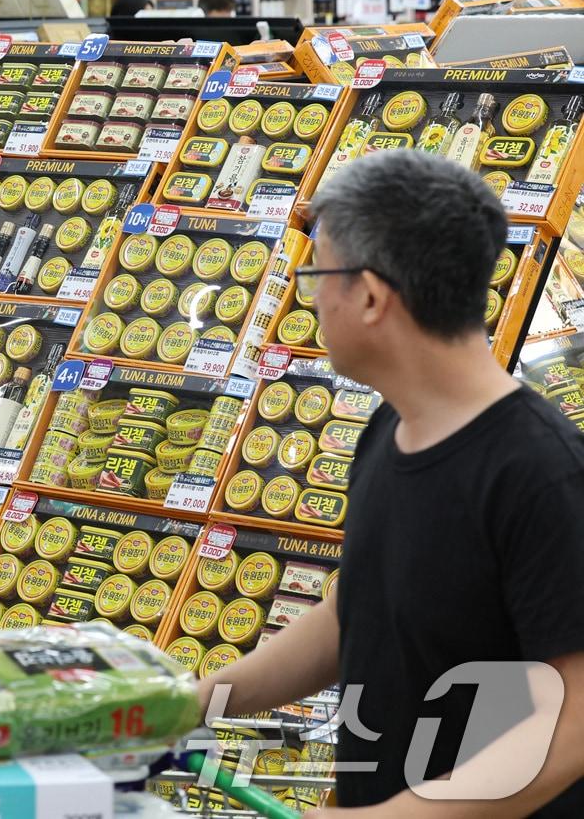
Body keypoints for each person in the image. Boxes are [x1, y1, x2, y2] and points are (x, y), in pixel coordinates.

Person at [200, 151, 584, 816]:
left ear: (371, 295)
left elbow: (572, 726)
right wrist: (192, 704)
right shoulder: (391, 426)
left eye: (318, 271)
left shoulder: (541, 473)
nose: (311, 293)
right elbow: (352, 614)